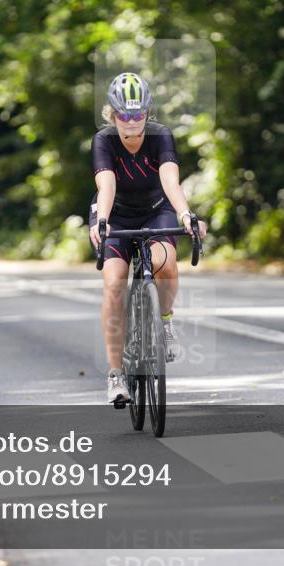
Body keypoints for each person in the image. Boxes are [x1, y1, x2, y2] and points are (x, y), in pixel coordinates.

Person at [88, 72, 207, 406]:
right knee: (114, 283)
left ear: (147, 113)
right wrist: (103, 221)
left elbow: (170, 180)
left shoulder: (160, 136)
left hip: (156, 210)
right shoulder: (104, 141)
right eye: (124, 115)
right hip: (117, 214)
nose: (131, 122)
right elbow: (107, 185)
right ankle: (115, 375)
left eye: (138, 114)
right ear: (112, 115)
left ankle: (164, 322)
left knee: (164, 264)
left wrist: (185, 215)